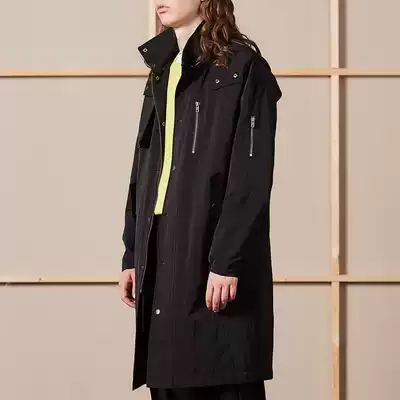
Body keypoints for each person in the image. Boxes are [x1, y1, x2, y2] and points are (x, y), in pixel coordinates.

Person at [119, 0, 282, 399]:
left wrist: (228, 259)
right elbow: (144, 168)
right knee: (169, 377)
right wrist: (132, 252)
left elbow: (251, 175)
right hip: (160, 246)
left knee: (221, 374)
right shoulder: (163, 69)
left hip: (210, 247)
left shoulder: (243, 68)